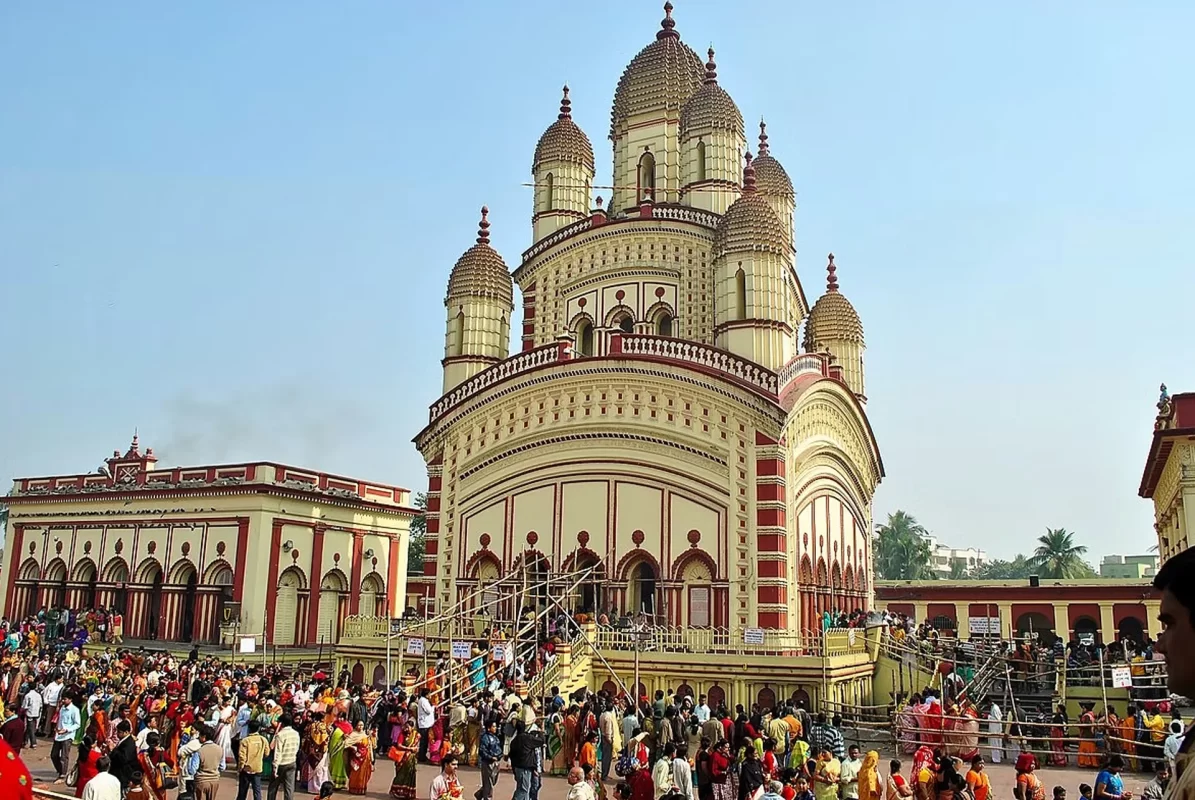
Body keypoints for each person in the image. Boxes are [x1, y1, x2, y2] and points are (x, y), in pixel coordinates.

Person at [268, 714, 300, 800]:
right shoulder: (296, 733)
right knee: (289, 788)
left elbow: (278, 752)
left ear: (281, 723)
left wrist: (275, 767)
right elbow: (297, 748)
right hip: (292, 761)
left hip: (281, 764)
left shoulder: (280, 735)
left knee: (273, 787)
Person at [237, 719, 268, 800]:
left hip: (246, 769)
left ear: (249, 728)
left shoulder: (245, 740)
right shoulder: (263, 739)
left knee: (242, 792)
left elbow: (242, 756)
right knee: (257, 791)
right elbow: (267, 753)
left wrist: (240, 768)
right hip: (257, 768)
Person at [53, 692, 81, 782]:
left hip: (68, 735)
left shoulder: (74, 710)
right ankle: (60, 769)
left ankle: (62, 774)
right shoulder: (62, 708)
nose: (63, 701)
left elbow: (77, 724)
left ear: (70, 700)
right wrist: (57, 728)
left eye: (65, 699)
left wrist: (67, 730)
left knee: (64, 756)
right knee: (54, 754)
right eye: (63, 699)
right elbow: (60, 720)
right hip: (59, 734)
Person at [390, 719, 420, 800]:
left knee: (410, 775)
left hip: (412, 759)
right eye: (405, 727)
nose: (406, 729)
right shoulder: (402, 734)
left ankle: (409, 792)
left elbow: (417, 747)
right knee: (401, 775)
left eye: (408, 727)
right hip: (403, 758)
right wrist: (409, 748)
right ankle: (397, 791)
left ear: (412, 727)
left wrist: (415, 749)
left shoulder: (416, 735)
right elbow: (399, 745)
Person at [195, 724, 225, 800]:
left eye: (200, 736)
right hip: (214, 780)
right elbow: (222, 767)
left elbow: (193, 769)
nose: (198, 738)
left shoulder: (199, 751)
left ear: (204, 737)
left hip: (202, 780)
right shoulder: (220, 749)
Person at [344, 720, 373, 796]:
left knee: (363, 774)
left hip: (365, 757)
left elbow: (369, 746)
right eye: (359, 725)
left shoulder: (365, 735)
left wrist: (371, 759)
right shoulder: (353, 734)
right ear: (356, 726)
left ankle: (362, 788)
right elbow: (346, 744)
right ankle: (353, 788)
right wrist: (353, 748)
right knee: (355, 773)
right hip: (356, 758)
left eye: (362, 725)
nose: (360, 727)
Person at [21, 683, 41, 750]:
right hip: (37, 713)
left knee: (31, 728)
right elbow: (41, 705)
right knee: (30, 727)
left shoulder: (28, 696)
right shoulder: (38, 695)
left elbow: (24, 706)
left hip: (30, 713)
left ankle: (33, 743)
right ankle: (24, 741)